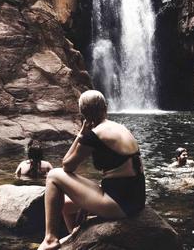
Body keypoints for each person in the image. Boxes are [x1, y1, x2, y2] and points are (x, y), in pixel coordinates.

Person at [38, 90, 145, 250]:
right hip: (135, 198)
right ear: (105, 108)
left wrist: (81, 133)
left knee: (53, 175)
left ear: (83, 114)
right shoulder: (119, 127)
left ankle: (50, 239)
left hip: (119, 203)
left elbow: (67, 165)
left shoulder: (95, 135)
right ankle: (76, 237)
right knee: (66, 206)